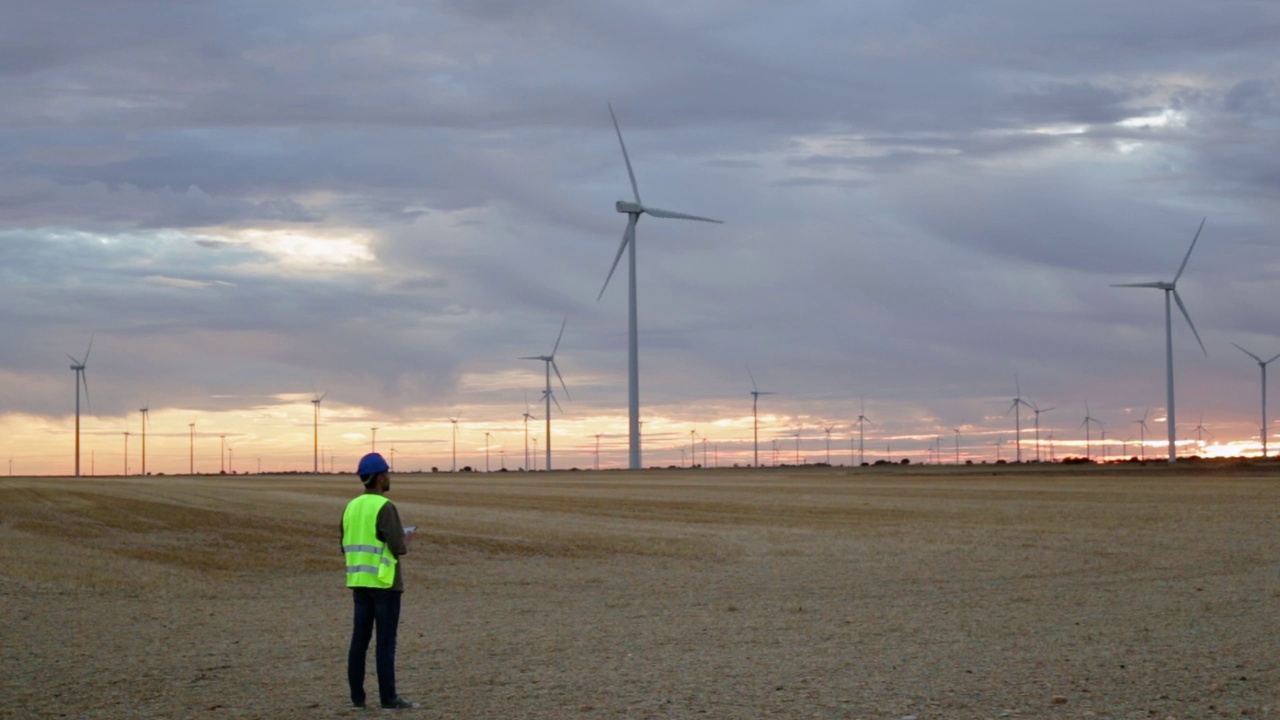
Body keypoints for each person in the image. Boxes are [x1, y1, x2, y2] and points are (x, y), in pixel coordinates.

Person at [342, 452, 418, 710]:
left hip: (359, 582)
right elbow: (396, 546)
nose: (389, 478)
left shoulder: (351, 506)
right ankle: (389, 698)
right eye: (387, 473)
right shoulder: (385, 507)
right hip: (384, 583)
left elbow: (346, 545)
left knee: (359, 642)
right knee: (385, 643)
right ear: (380, 477)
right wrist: (405, 541)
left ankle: (357, 699)